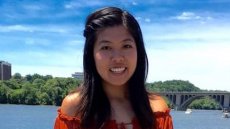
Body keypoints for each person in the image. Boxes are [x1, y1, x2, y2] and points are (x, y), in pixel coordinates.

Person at [54, 7, 173, 129]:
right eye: (106, 47)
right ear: (91, 54)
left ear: (138, 51)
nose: (117, 58)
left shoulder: (157, 110)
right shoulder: (75, 109)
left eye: (126, 46)